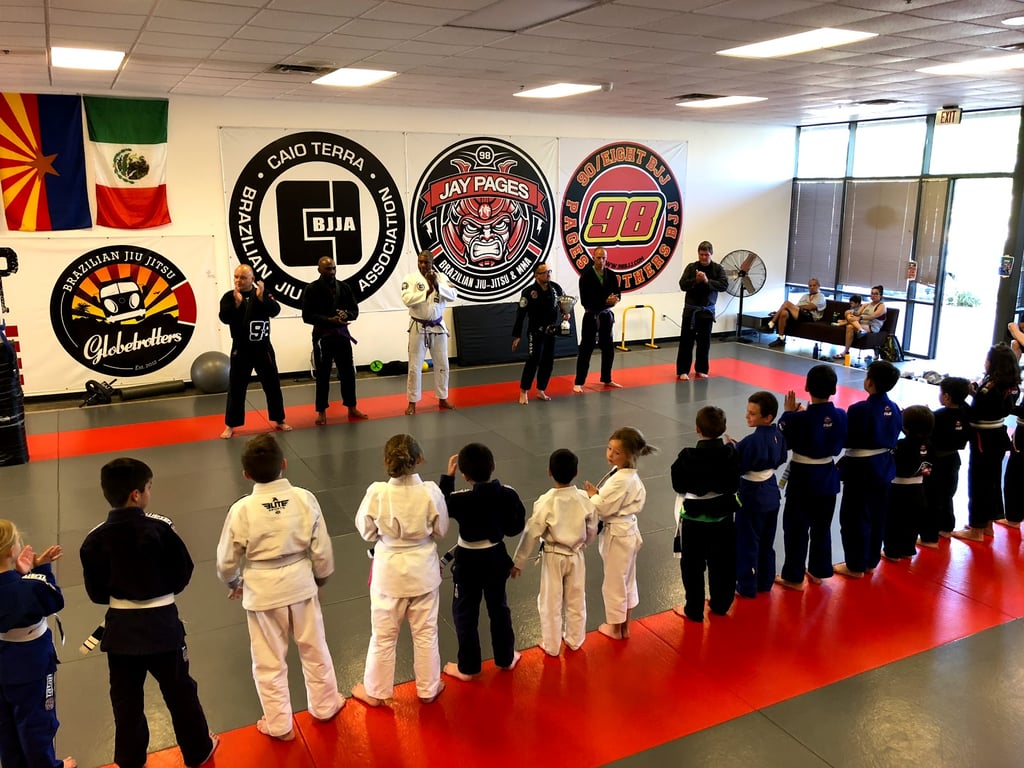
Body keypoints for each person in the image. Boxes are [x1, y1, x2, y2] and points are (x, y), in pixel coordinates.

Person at [80, 458, 217, 768]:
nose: (149, 493)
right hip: (162, 627)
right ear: (136, 494)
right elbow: (182, 573)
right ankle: (198, 750)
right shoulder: (160, 529)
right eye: (149, 488)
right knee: (180, 691)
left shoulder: (94, 539)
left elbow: (96, 593)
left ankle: (129, 760)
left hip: (121, 632)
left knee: (125, 700)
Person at [215, 435, 343, 741]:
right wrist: (320, 579)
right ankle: (325, 706)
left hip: (262, 591)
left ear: (246, 474)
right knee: (315, 649)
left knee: (268, 661)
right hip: (301, 584)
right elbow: (322, 550)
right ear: (284, 464)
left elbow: (225, 561)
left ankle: (279, 725)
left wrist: (234, 582)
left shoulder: (242, 509)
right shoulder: (304, 498)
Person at [352, 434, 449, 706]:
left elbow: (366, 531)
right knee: (426, 633)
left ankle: (375, 692)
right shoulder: (430, 492)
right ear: (419, 459)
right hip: (423, 571)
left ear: (386, 461)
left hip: (389, 573)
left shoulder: (377, 493)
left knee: (383, 636)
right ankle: (428, 689)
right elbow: (441, 530)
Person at [439, 443, 526, 681]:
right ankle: (506, 658)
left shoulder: (461, 499)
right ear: (493, 466)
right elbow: (516, 526)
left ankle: (468, 668)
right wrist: (497, 526)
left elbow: (441, 505)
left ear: (465, 476)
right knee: (499, 608)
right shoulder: (507, 494)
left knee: (465, 613)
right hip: (496, 559)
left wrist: (448, 478)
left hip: (468, 563)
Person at [0, 521, 76, 768]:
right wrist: (40, 570)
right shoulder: (31, 587)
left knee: (6, 726)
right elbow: (53, 598)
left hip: (3, 661)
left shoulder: (23, 584)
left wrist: (23, 575)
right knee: (37, 724)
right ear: (11, 551)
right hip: (31, 665)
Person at [510, 449, 598, 656]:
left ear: (549, 471)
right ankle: (575, 639)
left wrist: (518, 562)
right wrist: (584, 544)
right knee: (576, 598)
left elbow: (531, 532)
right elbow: (593, 527)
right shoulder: (584, 498)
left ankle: (552, 645)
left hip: (554, 556)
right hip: (576, 555)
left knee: (550, 601)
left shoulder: (545, 501)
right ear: (576, 472)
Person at [775, 365, 847, 590]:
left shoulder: (796, 419)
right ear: (834, 389)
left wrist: (788, 414)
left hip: (802, 478)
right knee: (821, 527)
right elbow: (824, 426)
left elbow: (782, 441)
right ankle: (819, 570)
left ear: (806, 387)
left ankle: (794, 576)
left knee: (796, 528)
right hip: (828, 476)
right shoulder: (841, 415)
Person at [584, 426, 656, 640]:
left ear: (630, 455)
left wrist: (592, 495)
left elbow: (602, 507)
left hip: (618, 535)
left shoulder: (621, 479)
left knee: (615, 582)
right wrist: (598, 495)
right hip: (628, 530)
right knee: (627, 579)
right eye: (609, 449)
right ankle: (625, 626)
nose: (610, 454)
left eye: (617, 452)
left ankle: (615, 629)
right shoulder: (627, 475)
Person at [670, 406, 740, 621]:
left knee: (692, 566)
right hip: (723, 518)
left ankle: (694, 609)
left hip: (694, 520)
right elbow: (734, 483)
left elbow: (678, 485)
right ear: (724, 428)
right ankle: (721, 604)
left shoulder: (687, 457)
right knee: (723, 563)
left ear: (697, 429)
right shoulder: (730, 454)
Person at [835, 360, 903, 578]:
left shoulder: (859, 410)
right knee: (877, 515)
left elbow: (846, 439)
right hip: (884, 467)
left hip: (862, 470)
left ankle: (856, 565)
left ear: (870, 382)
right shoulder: (894, 408)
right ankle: (871, 560)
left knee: (854, 517)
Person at [953, 344, 1020, 542]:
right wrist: (975, 393)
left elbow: (977, 413)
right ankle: (987, 524)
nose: (985, 362)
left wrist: (961, 400)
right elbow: (994, 407)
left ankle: (976, 528)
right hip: (998, 435)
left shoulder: (990, 387)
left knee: (979, 482)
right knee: (992, 481)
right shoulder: (1011, 384)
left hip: (984, 437)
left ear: (993, 363)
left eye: (987, 359)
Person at [218, 264, 291, 439]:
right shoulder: (229, 297)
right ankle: (231, 424)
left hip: (263, 348)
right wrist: (236, 304)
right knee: (236, 387)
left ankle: (279, 419)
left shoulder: (262, 293)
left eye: (243, 277)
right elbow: (224, 318)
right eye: (236, 277)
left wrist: (261, 298)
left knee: (272, 385)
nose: (238, 280)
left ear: (252, 279)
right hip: (241, 349)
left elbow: (275, 311)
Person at [734, 391, 788, 598]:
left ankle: (747, 585)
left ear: (767, 417)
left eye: (752, 413)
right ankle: (765, 582)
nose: (747, 416)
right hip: (771, 492)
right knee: (767, 540)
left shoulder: (750, 442)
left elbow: (738, 465)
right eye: (747, 412)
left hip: (751, 495)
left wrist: (733, 449)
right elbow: (781, 458)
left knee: (748, 541)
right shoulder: (778, 436)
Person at [301, 256, 367, 424]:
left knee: (347, 373)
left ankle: (351, 407)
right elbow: (307, 316)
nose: (331, 272)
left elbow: (354, 311)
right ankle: (321, 411)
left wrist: (346, 314)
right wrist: (329, 320)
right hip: (322, 337)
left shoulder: (344, 287)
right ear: (319, 270)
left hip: (342, 335)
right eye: (328, 269)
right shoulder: (311, 289)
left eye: (333, 268)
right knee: (322, 375)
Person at [401, 250, 458, 415]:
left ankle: (442, 397)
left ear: (432, 263)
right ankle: (412, 402)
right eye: (420, 261)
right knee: (414, 366)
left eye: (426, 262)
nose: (423, 265)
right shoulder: (410, 279)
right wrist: (426, 291)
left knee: (442, 364)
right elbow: (406, 300)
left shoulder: (441, 277)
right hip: (418, 327)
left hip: (438, 326)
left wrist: (437, 285)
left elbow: (454, 295)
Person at [512, 262, 570, 405]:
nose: (547, 275)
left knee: (548, 361)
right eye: (544, 273)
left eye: (549, 271)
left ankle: (541, 390)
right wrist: (517, 335)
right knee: (533, 360)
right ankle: (524, 390)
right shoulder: (529, 292)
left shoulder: (555, 288)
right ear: (536, 275)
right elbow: (521, 314)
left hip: (551, 330)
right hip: (535, 331)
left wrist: (565, 313)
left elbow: (562, 305)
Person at [881, 405, 933, 561]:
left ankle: (892, 552)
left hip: (898, 488)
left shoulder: (900, 445)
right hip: (919, 488)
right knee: (912, 520)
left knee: (893, 520)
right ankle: (907, 548)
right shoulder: (930, 445)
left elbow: (892, 459)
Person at [922, 377, 971, 543]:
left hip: (937, 461)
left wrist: (926, 415)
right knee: (947, 494)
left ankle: (930, 535)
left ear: (947, 397)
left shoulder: (938, 416)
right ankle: (946, 527)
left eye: (941, 393)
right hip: (953, 459)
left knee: (932, 496)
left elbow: (926, 434)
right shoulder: (966, 411)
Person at [676, 240, 727, 380]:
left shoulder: (718, 269)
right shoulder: (691, 267)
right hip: (691, 311)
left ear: (711, 254)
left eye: (706, 255)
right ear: (698, 254)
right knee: (686, 342)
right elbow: (682, 285)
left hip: (707, 312)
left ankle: (701, 369)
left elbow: (724, 285)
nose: (704, 257)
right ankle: (683, 371)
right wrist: (696, 280)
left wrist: (706, 281)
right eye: (701, 254)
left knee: (704, 343)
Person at [573, 246, 622, 393]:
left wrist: (615, 299)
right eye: (599, 258)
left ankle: (607, 378)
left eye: (604, 258)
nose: (601, 261)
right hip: (591, 316)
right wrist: (605, 301)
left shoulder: (611, 275)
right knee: (586, 349)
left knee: (608, 349)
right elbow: (585, 300)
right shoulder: (586, 276)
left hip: (606, 317)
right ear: (593, 257)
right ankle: (578, 382)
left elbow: (617, 293)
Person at [767, 278, 827, 348]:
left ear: (818, 286)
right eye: (810, 286)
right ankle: (780, 339)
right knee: (784, 313)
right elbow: (796, 307)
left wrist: (796, 307)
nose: (812, 287)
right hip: (801, 314)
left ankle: (772, 322)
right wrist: (778, 312)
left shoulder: (821, 296)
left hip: (810, 316)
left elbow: (810, 307)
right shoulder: (805, 296)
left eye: (814, 285)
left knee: (787, 303)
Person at [834, 285, 886, 360]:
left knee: (850, 325)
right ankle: (859, 331)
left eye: (876, 294)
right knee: (849, 321)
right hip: (861, 324)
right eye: (872, 293)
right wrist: (851, 312)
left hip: (872, 326)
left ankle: (845, 351)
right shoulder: (866, 305)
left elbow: (872, 316)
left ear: (880, 295)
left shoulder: (881, 306)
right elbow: (857, 313)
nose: (873, 295)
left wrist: (859, 317)